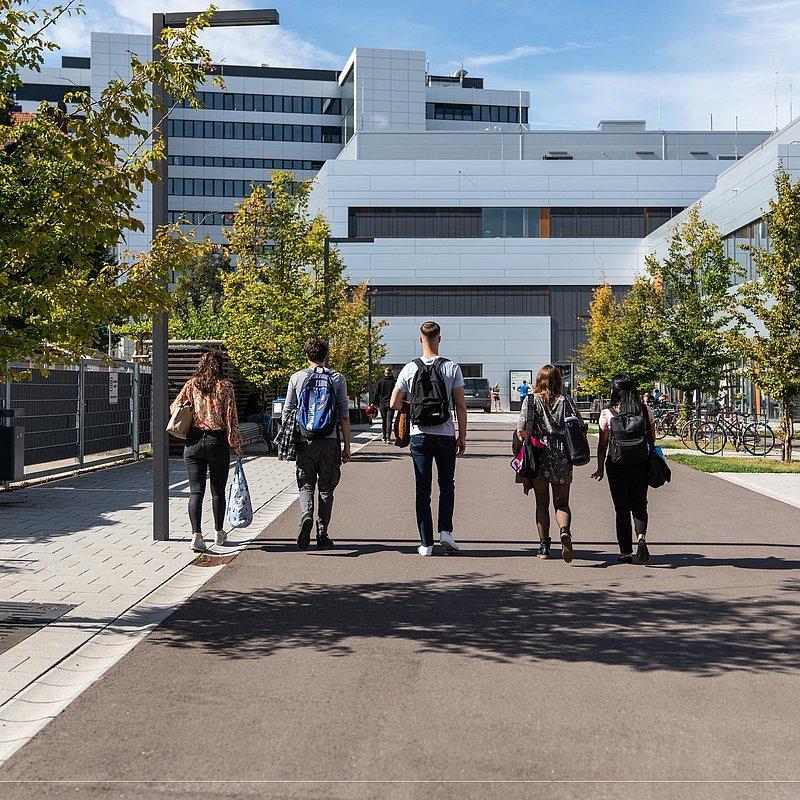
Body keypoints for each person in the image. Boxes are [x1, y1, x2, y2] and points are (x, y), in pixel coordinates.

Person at [391, 321, 467, 556]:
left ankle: (426, 543)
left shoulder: (409, 368)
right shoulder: (451, 367)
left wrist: (414, 407)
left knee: (422, 489)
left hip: (419, 435)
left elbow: (394, 403)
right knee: (447, 485)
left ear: (420, 339)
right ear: (439, 339)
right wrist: (462, 436)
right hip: (445, 434)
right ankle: (445, 532)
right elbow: (461, 406)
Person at [170, 351, 243, 552]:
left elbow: (174, 407)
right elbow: (231, 417)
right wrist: (236, 444)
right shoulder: (225, 386)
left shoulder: (191, 384)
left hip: (193, 441)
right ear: (219, 366)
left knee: (196, 491)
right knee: (218, 491)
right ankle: (219, 532)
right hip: (216, 441)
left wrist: (190, 408)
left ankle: (196, 536)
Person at [282, 338, 351, 550]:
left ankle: (306, 516)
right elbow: (344, 415)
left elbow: (287, 411)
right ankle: (322, 533)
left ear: (307, 355)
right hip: (330, 441)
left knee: (306, 484)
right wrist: (347, 447)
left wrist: (288, 439)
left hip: (305, 440)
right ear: (326, 355)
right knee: (326, 488)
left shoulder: (297, 378)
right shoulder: (337, 378)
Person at [516, 365, 579, 562]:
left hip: (538, 454)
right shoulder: (566, 401)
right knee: (562, 502)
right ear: (558, 381)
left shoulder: (531, 400)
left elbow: (521, 430)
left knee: (541, 502)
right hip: (562, 454)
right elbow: (578, 425)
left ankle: (544, 547)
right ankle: (564, 530)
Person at [591, 374, 656, 564]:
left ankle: (626, 551)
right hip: (640, 462)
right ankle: (641, 537)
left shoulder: (608, 413)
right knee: (639, 503)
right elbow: (652, 437)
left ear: (615, 391)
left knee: (621, 508)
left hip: (616, 463)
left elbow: (603, 444)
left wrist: (600, 468)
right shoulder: (644, 409)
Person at [372, 367, 397, 443]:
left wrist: (374, 402)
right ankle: (388, 438)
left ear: (385, 373)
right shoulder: (394, 382)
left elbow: (376, 393)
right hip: (391, 403)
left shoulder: (380, 381)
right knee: (389, 421)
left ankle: (384, 437)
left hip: (382, 403)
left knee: (384, 421)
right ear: (391, 373)